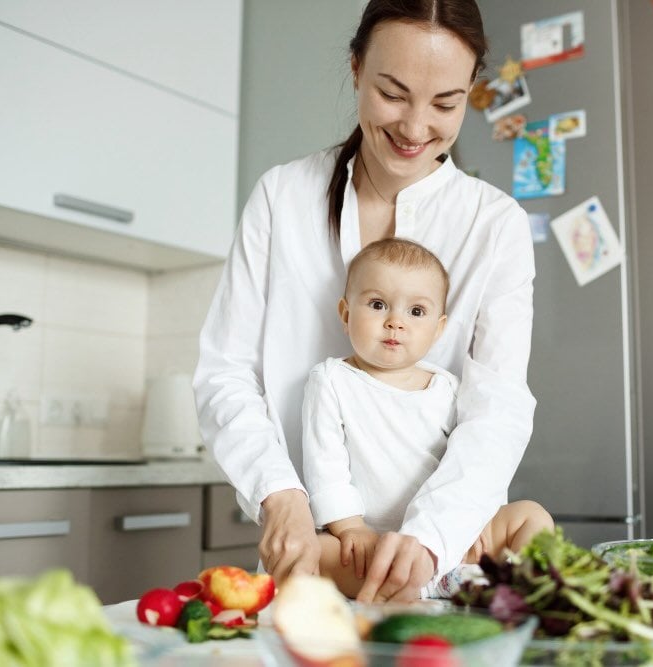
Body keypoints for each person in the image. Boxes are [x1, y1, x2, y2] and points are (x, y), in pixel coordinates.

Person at [194, 0, 537, 603]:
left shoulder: (495, 223)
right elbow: (226, 374)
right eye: (393, 93)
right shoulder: (283, 197)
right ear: (356, 68)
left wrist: (429, 537)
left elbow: (498, 406)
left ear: (471, 94)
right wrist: (281, 496)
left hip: (452, 545)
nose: (414, 127)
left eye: (445, 103)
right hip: (323, 546)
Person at [302, 238, 553, 598]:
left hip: (452, 538)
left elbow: (475, 459)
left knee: (532, 516)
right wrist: (349, 528)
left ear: (438, 328)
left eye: (416, 312)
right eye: (377, 305)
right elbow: (324, 464)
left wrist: (477, 517)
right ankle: (434, 587)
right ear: (345, 314)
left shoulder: (447, 388)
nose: (394, 322)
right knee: (317, 552)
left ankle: (512, 584)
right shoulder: (331, 380)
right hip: (374, 540)